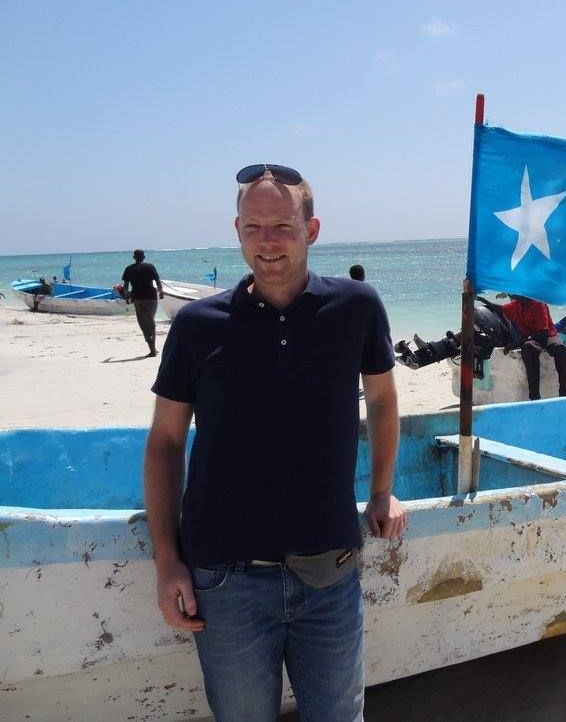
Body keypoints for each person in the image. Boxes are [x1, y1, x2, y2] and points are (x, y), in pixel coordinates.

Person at [143, 164, 405, 721]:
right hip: (224, 579)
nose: (268, 243)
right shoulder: (196, 324)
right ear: (237, 230)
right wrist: (168, 562)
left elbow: (382, 400)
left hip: (329, 570)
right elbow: (165, 442)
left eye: (282, 226)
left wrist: (382, 492)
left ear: (311, 230)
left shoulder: (356, 307)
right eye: (254, 228)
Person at [502, 294, 566, 400]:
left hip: (547, 335)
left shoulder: (538, 304)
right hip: (532, 338)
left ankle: (563, 392)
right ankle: (534, 396)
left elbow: (543, 334)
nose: (511, 294)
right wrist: (479, 299)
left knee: (561, 350)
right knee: (528, 349)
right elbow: (500, 308)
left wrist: (516, 344)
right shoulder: (516, 305)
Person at [121, 249, 164, 357]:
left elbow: (126, 286)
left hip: (138, 298)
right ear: (143, 257)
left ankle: (152, 350)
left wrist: (126, 296)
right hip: (152, 297)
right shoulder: (150, 267)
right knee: (150, 321)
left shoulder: (129, 268)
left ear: (134, 257)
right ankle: (153, 347)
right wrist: (161, 291)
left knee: (144, 323)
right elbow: (157, 281)